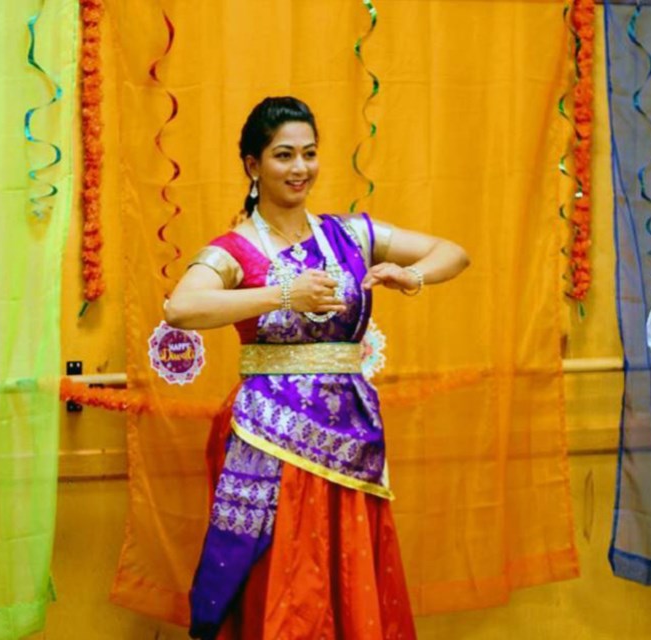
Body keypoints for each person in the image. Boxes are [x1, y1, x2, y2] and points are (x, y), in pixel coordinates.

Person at [165, 96, 469, 640]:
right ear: (253, 166)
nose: (300, 168)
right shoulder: (235, 249)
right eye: (284, 155)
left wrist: (411, 275)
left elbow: (453, 252)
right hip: (268, 437)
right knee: (282, 574)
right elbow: (181, 307)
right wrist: (281, 294)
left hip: (351, 438)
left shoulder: (351, 234)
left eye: (309, 153)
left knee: (346, 569)